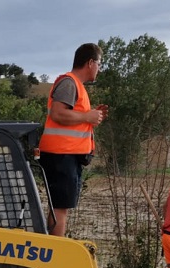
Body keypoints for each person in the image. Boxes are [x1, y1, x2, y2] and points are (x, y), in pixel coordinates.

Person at [38, 42, 109, 237]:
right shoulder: (69, 83)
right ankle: (54, 257)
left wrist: (91, 117)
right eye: (99, 64)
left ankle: (53, 253)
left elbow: (70, 119)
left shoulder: (76, 86)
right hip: (61, 156)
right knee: (59, 210)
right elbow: (58, 114)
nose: (99, 69)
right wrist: (87, 117)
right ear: (90, 63)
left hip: (64, 156)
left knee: (60, 209)